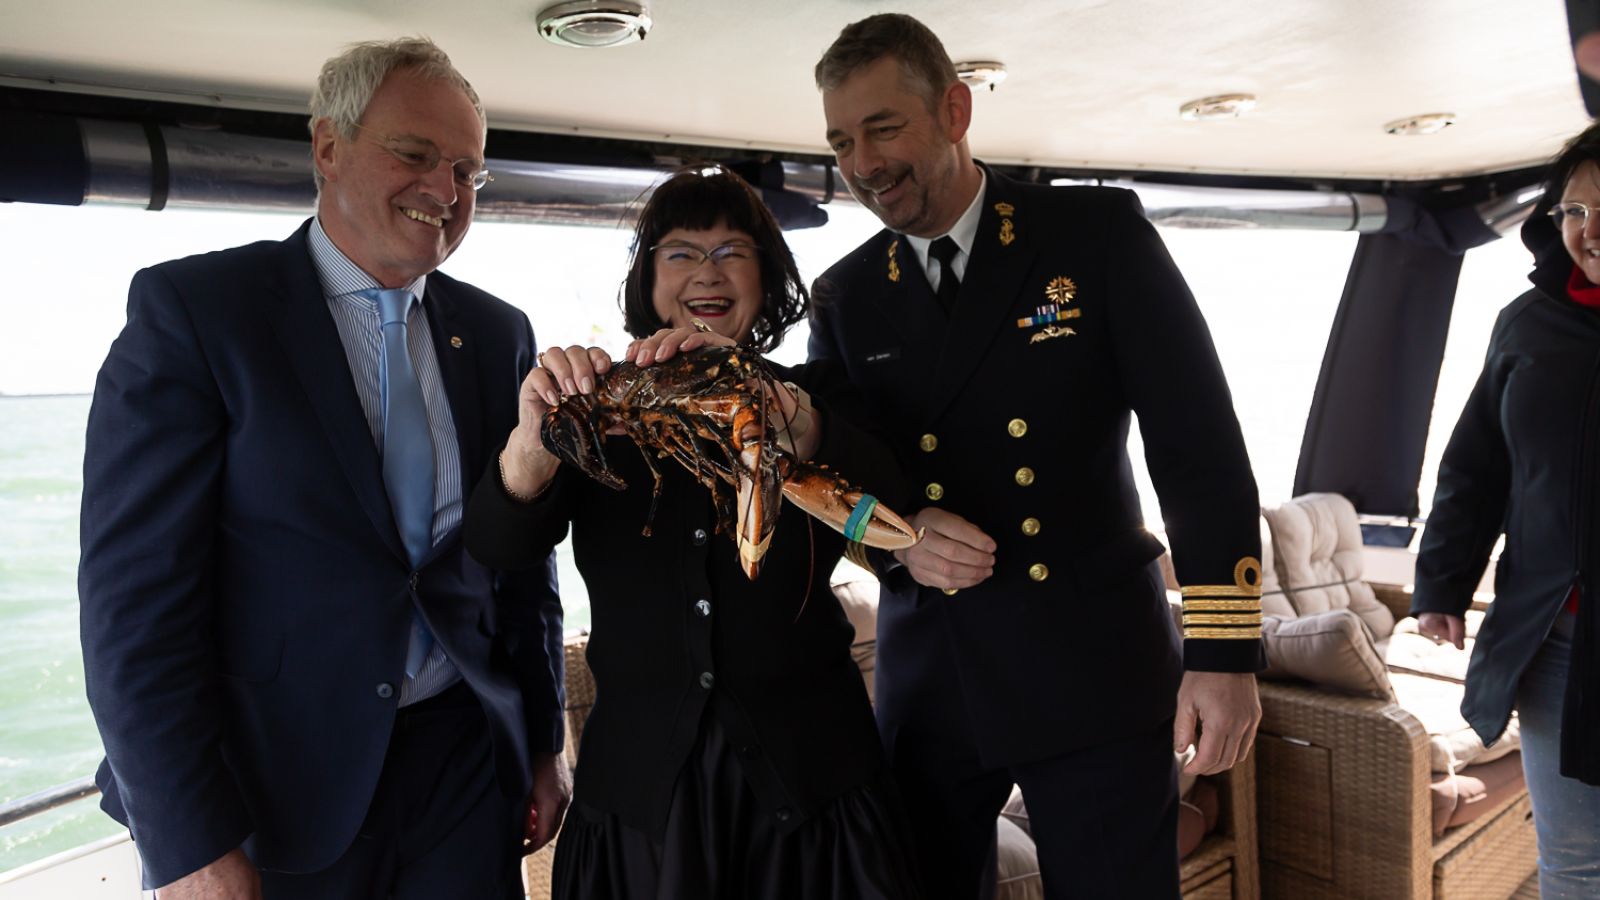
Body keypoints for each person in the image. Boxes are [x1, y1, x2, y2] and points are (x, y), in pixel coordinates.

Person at [78, 37, 568, 899]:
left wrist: (542, 740)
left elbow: (519, 568)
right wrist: (189, 843)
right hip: (275, 788)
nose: (445, 190)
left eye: (467, 170)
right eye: (414, 154)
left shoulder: (499, 334)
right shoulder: (198, 313)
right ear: (328, 145)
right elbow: (132, 604)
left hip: (463, 769)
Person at [808, 14, 1266, 898]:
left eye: (882, 128)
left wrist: (1224, 654)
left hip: (1092, 661)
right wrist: (895, 543)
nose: (862, 164)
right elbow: (833, 483)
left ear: (954, 110)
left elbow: (1198, 443)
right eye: (840, 143)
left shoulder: (1093, 234)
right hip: (933, 673)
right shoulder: (847, 295)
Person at [465, 167, 922, 900]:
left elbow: (900, 508)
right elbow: (498, 548)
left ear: (766, 277)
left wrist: (794, 417)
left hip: (817, 787)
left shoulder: (818, 400)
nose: (708, 273)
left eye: (733, 251)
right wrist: (532, 439)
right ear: (647, 279)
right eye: (680, 252)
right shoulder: (599, 407)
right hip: (641, 802)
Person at [1413, 122, 1600, 898]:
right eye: (1575, 211)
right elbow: (1476, 466)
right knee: (1578, 859)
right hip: (1557, 639)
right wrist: (1442, 584)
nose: (1591, 233)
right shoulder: (1528, 323)